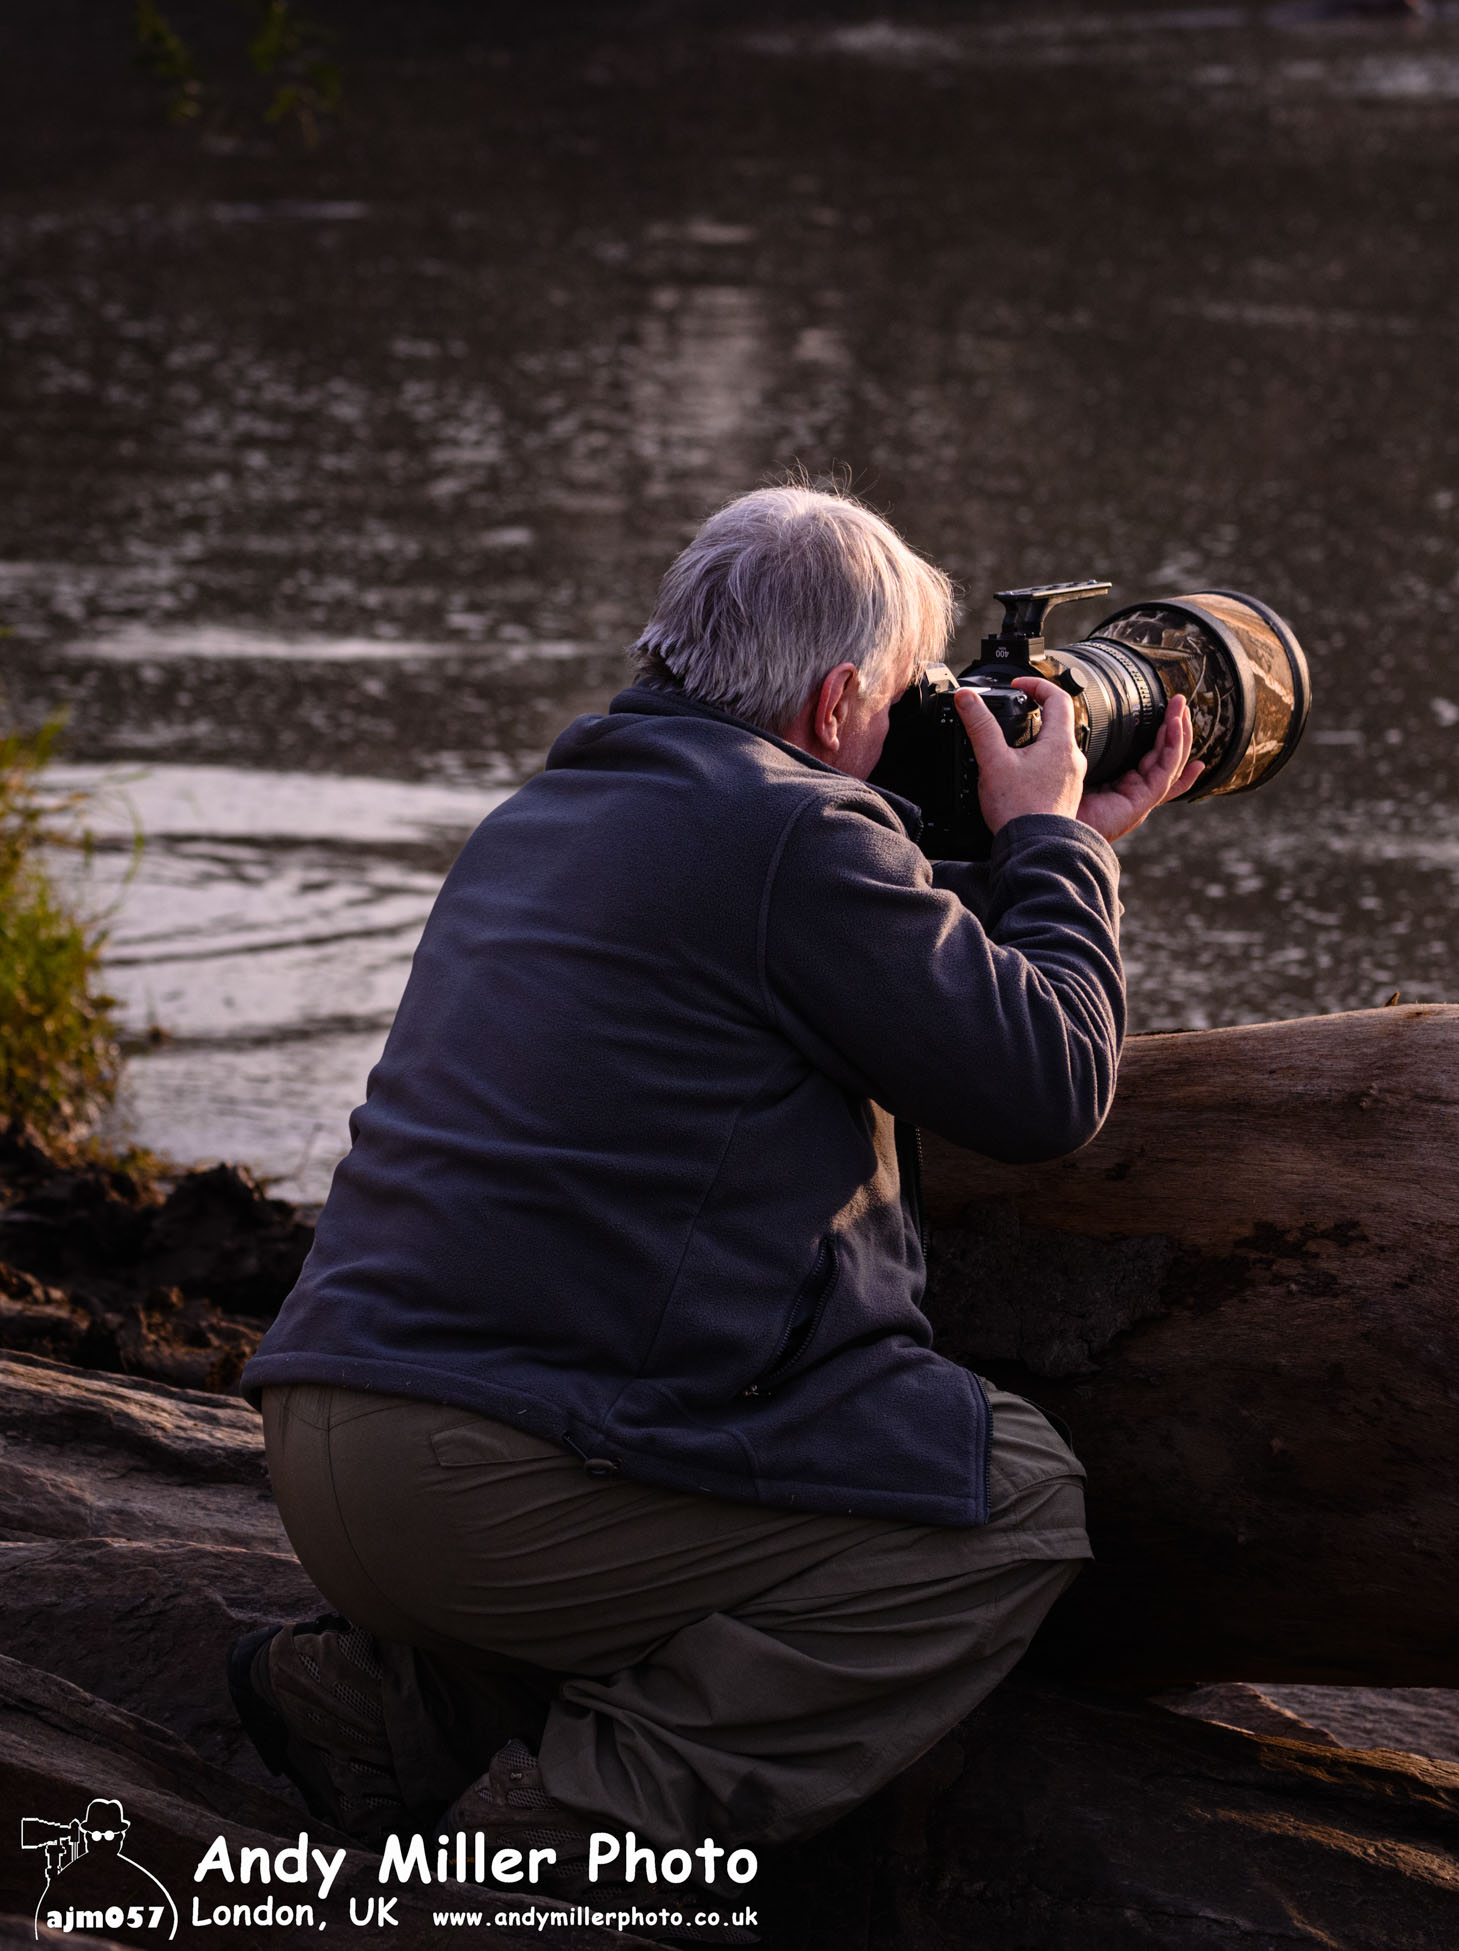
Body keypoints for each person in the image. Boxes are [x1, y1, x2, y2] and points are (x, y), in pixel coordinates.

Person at [229, 485, 1201, 1877]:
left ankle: (387, 1704)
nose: (901, 741)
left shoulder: (547, 812)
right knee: (1015, 1502)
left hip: (330, 1457)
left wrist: (1006, 856)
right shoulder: (800, 836)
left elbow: (814, 952)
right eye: (896, 709)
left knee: (695, 1509)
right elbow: (1049, 1085)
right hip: (490, 1489)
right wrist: (1063, 843)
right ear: (830, 706)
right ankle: (566, 1845)